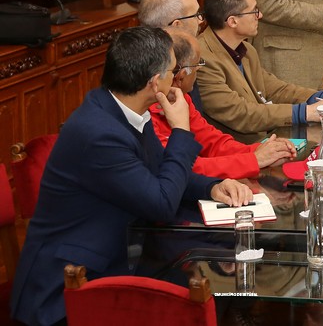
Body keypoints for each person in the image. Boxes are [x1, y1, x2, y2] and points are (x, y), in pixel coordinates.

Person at [10, 27, 252, 326]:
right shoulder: (99, 133)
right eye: (173, 70)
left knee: (224, 276)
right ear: (155, 82)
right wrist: (180, 129)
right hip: (72, 283)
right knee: (209, 290)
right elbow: (161, 202)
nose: (177, 76)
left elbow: (160, 170)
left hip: (124, 249)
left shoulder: (124, 108)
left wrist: (213, 186)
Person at [197, 0, 323, 140]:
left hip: (264, 140)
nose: (260, 15)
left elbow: (276, 89)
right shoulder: (203, 59)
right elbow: (240, 114)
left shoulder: (247, 49)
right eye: (254, 11)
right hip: (236, 148)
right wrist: (306, 112)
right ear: (233, 21)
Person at [152, 28, 296, 179]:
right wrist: (254, 160)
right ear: (181, 76)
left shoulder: (180, 98)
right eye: (198, 63)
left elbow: (213, 143)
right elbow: (185, 168)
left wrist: (261, 150)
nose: (199, 68)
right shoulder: (146, 112)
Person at [137, 0, 206, 110]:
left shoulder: (187, 56)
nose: (201, 20)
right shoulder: (150, 90)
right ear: (176, 26)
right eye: (196, 15)